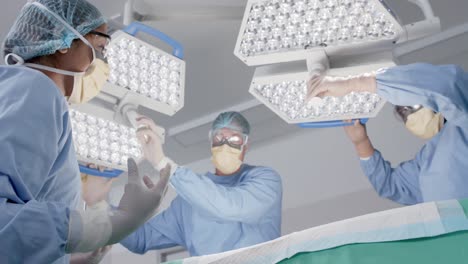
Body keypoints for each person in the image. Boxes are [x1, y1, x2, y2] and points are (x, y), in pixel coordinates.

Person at [0, 1, 170, 263]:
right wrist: (115, 223)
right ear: (63, 42)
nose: (100, 63)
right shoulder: (35, 88)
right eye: (99, 48)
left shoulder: (26, 94)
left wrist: (75, 258)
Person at [121, 111, 283, 256]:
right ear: (211, 143)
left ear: (245, 145)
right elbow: (141, 239)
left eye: (234, 139)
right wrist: (125, 214)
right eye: (219, 138)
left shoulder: (266, 181)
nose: (225, 144)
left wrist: (164, 165)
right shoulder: (188, 202)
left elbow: (227, 206)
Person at [307, 63, 468, 205]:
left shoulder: (462, 124)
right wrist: (361, 142)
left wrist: (354, 83)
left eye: (409, 107)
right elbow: (392, 186)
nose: (408, 116)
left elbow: (449, 83)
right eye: (402, 112)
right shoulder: (428, 158)